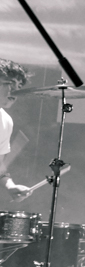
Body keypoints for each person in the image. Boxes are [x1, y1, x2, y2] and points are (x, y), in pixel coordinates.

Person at [0, 59, 31, 201]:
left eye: (19, 86)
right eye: (10, 83)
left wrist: (10, 186)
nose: (16, 91)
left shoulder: (5, 121)